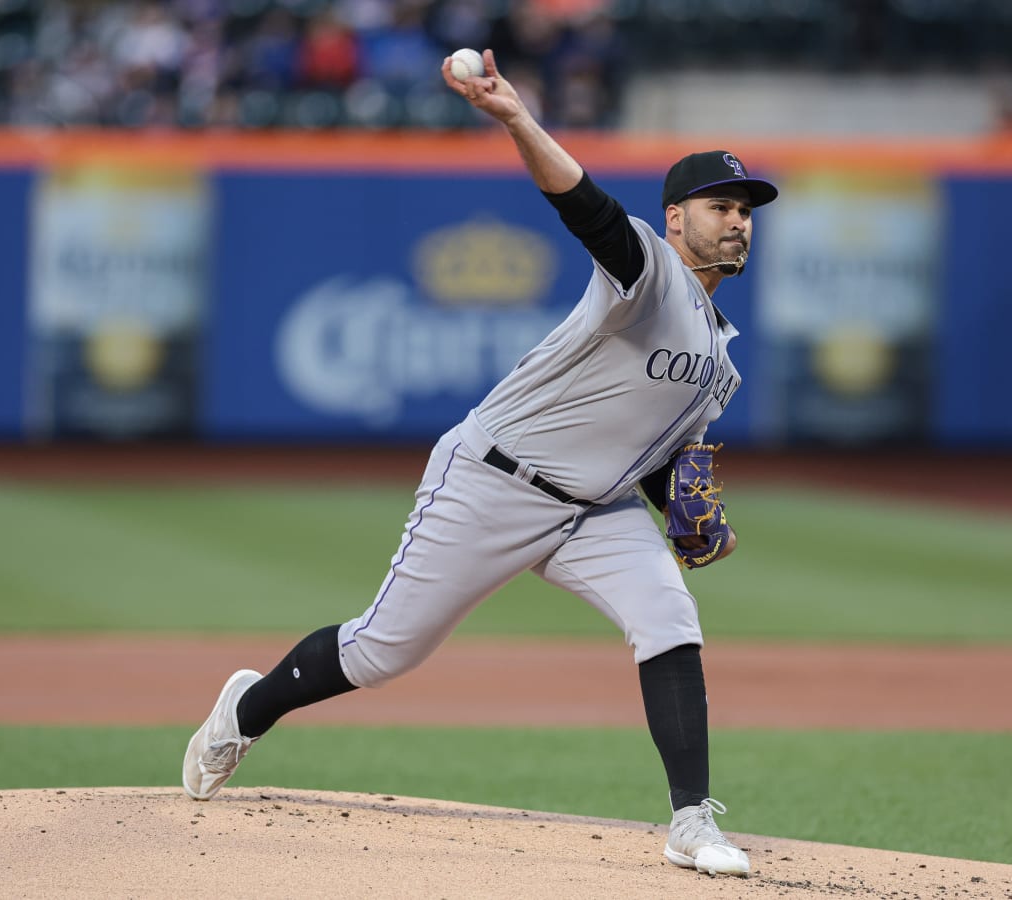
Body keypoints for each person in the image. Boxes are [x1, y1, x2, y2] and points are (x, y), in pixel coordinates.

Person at [182, 47, 777, 878]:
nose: (739, 219)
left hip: (591, 512)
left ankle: (690, 823)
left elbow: (651, 459)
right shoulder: (648, 273)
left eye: (747, 209)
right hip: (493, 479)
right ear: (676, 218)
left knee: (669, 618)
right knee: (383, 653)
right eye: (721, 205)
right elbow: (587, 208)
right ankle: (246, 708)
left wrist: (682, 508)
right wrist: (515, 116)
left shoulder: (721, 357)